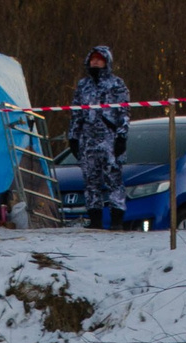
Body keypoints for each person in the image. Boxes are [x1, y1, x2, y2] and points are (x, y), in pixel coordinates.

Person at [68, 45, 131, 230]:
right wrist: (73, 136)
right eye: (93, 59)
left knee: (114, 180)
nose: (95, 62)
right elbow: (76, 113)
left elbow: (124, 112)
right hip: (88, 141)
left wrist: (121, 137)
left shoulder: (117, 84)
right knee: (90, 181)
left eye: (99, 59)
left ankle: (117, 221)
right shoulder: (82, 85)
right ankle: (94, 220)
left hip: (109, 139)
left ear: (106, 61)